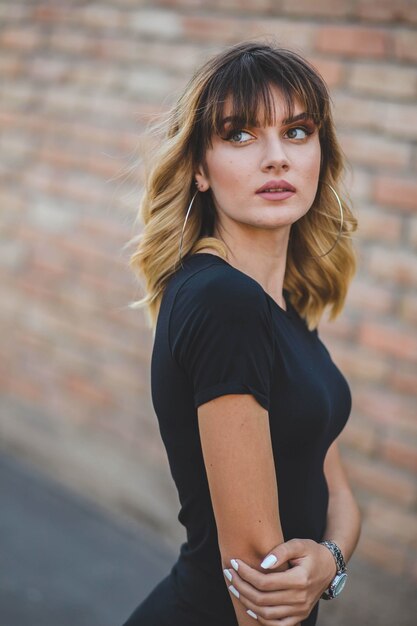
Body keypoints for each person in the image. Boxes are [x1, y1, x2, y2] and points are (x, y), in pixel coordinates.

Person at [122, 41, 361, 626]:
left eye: (298, 132)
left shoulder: (284, 304)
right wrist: (311, 575)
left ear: (320, 156)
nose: (277, 158)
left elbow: (343, 501)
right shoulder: (224, 302)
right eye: (240, 135)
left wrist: (328, 565)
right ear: (199, 169)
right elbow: (259, 589)